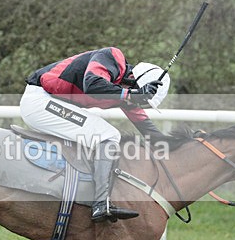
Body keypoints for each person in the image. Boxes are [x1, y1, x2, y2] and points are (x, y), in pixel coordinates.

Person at [21, 47, 169, 223]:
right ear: (133, 81)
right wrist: (134, 94)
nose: (140, 104)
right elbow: (92, 84)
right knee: (109, 135)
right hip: (40, 101)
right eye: (142, 100)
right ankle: (100, 203)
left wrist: (172, 148)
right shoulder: (112, 57)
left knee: (103, 135)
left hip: (48, 103)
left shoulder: (123, 90)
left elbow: (145, 126)